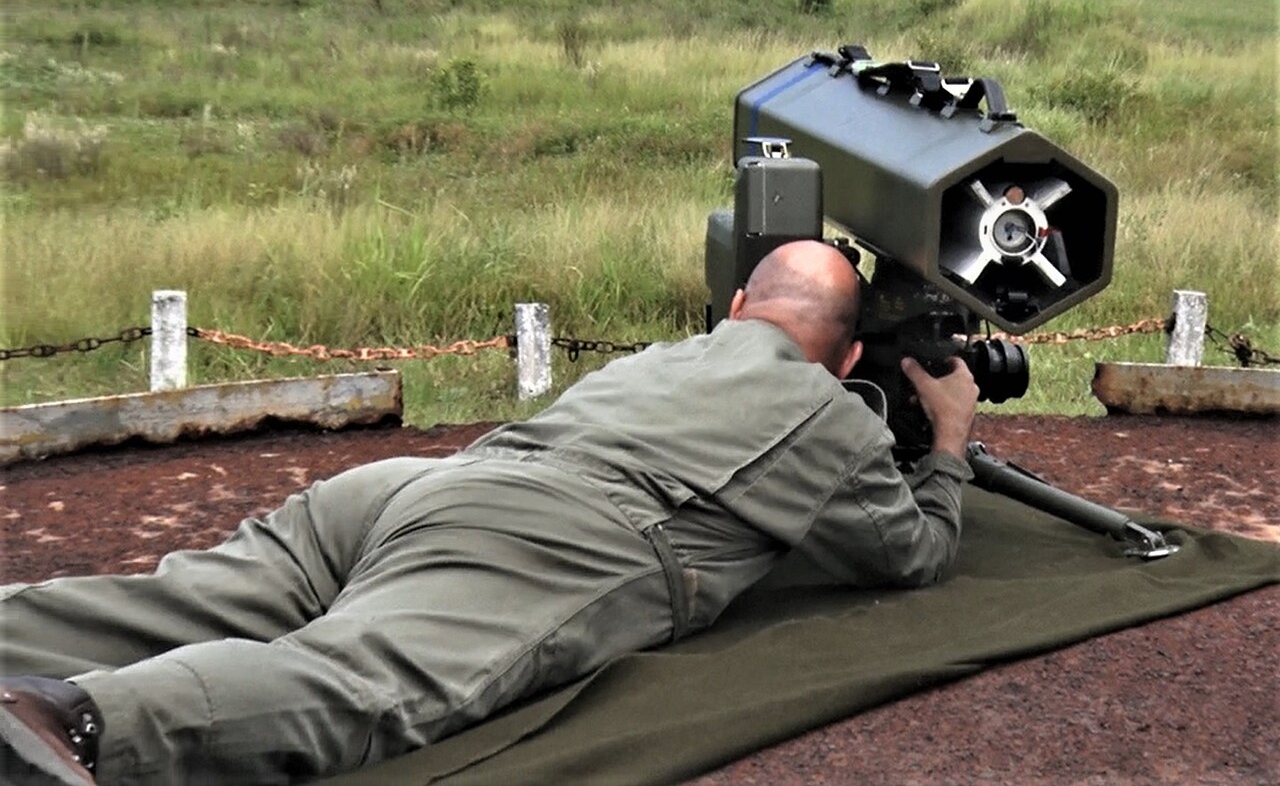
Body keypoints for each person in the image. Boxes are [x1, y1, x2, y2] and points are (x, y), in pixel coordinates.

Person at [1, 240, 979, 786]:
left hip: (412, 487)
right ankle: (79, 723)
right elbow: (910, 556)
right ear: (850, 360)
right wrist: (943, 446)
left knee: (179, 599)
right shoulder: (827, 412)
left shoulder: (661, 357)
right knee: (365, 679)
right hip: (553, 536)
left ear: (734, 306)